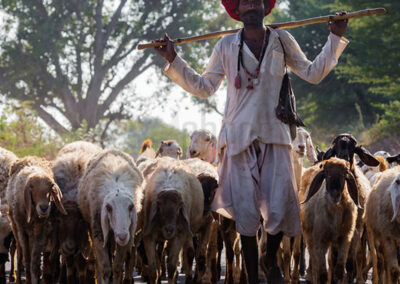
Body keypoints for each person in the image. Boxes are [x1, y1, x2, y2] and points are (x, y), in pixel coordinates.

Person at [153, 0, 349, 282]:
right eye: (244, 2)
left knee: (281, 203)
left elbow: (312, 72)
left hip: (276, 135)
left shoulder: (282, 39)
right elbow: (205, 87)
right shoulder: (225, 45)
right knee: (245, 212)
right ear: (237, 10)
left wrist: (335, 36)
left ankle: (269, 258)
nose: (250, 6)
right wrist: (173, 59)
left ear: (264, 6)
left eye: (256, 0)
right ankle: (253, 277)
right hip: (238, 138)